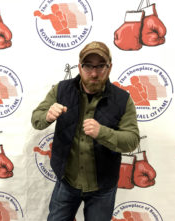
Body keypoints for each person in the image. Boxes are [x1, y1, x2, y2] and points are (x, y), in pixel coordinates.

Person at [31, 41, 140, 221]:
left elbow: (132, 140)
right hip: (66, 181)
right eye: (88, 66)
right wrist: (47, 117)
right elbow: (36, 119)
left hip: (102, 188)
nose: (94, 73)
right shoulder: (61, 90)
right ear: (80, 67)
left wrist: (102, 132)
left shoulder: (122, 99)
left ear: (110, 67)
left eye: (100, 66)